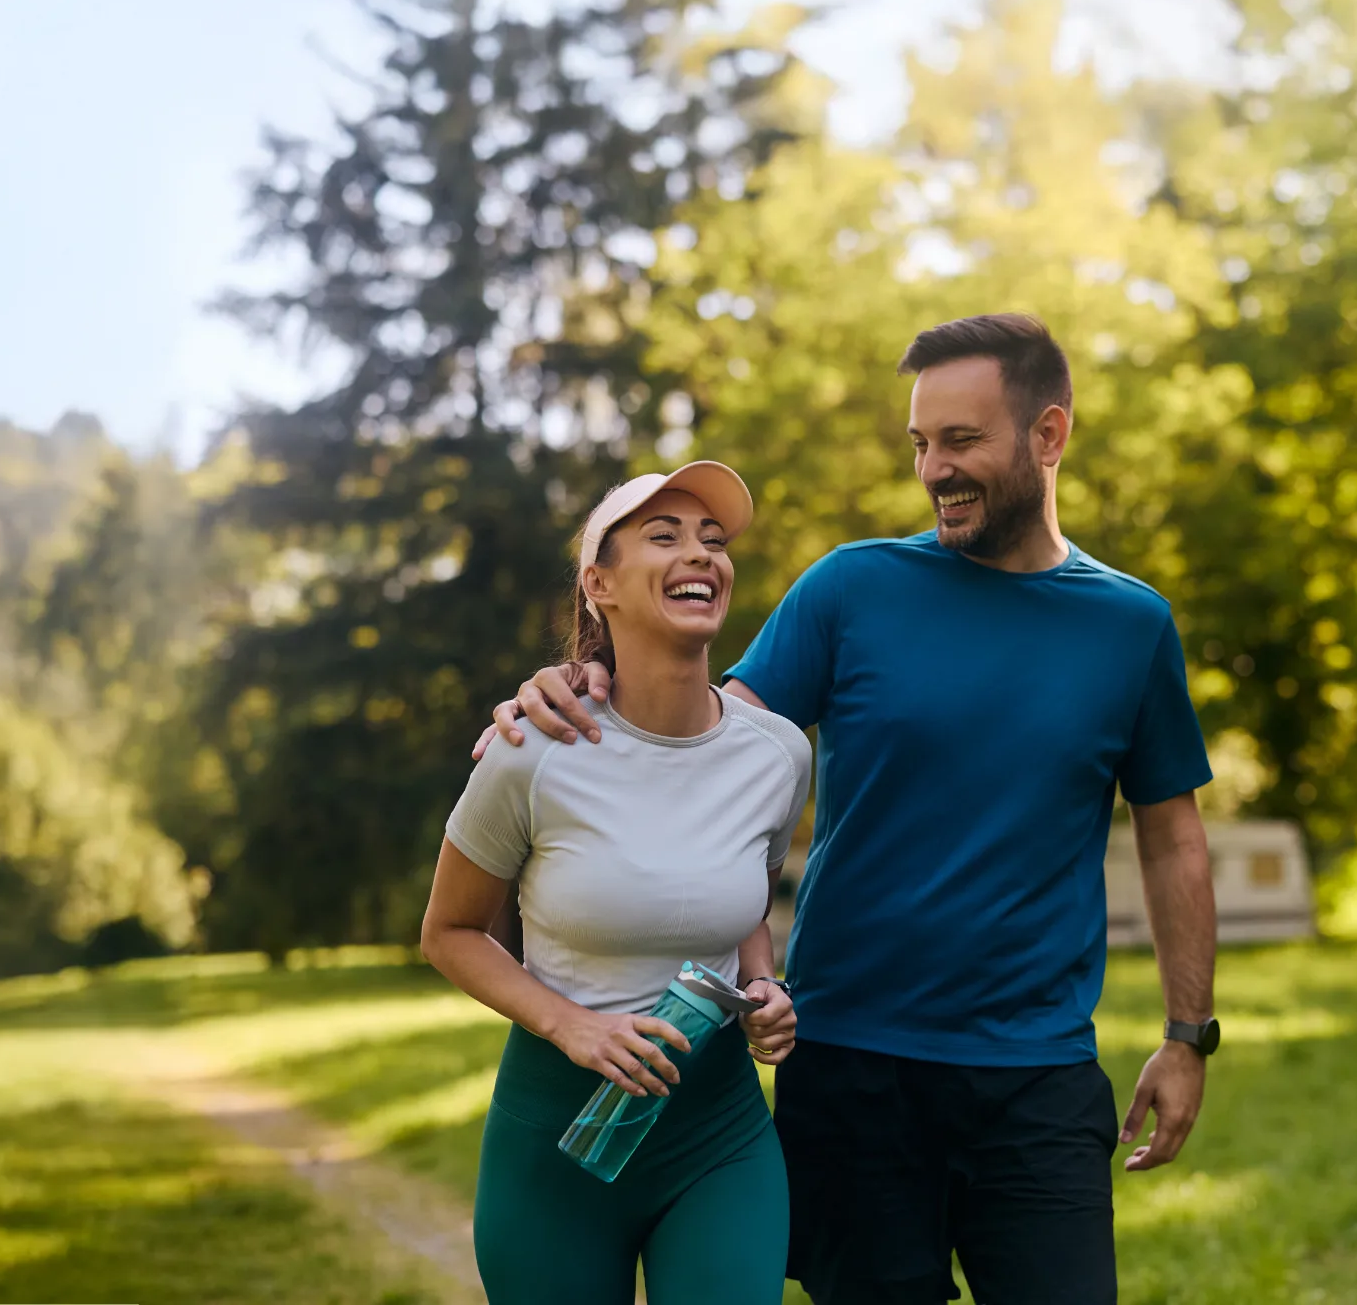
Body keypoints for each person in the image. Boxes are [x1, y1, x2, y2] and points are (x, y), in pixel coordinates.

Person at [479, 314, 1222, 1304]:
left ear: (1048, 436)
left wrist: (1186, 1034)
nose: (934, 469)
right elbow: (696, 746)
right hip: (851, 1074)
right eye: (921, 443)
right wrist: (576, 682)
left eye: (961, 441)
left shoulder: (1130, 626)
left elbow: (1172, 838)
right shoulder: (851, 588)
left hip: (1037, 1079)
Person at [419, 459, 810, 1305]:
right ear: (601, 583)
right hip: (555, 1134)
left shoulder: (779, 754)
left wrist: (763, 984)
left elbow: (742, 897)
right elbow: (448, 933)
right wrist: (574, 1029)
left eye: (713, 540)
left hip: (717, 1135)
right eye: (664, 537)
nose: (700, 554)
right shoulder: (533, 750)